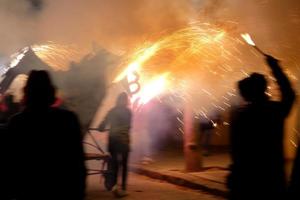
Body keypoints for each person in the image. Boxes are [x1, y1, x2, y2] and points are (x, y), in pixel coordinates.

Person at [6, 70, 86, 200]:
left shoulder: (17, 123)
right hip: (61, 191)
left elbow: (10, 165)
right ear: (51, 92)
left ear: (26, 93)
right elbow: (77, 164)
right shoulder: (68, 119)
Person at [227, 55, 295, 200]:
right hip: (271, 180)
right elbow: (289, 95)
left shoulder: (239, 115)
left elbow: (235, 150)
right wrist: (276, 68)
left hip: (245, 180)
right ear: (264, 89)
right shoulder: (274, 111)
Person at [98, 92, 132, 197]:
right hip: (124, 141)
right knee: (124, 164)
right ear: (126, 101)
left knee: (114, 164)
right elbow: (129, 126)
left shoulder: (112, 111)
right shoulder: (128, 112)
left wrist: (101, 128)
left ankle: (114, 186)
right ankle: (124, 188)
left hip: (113, 141)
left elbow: (102, 127)